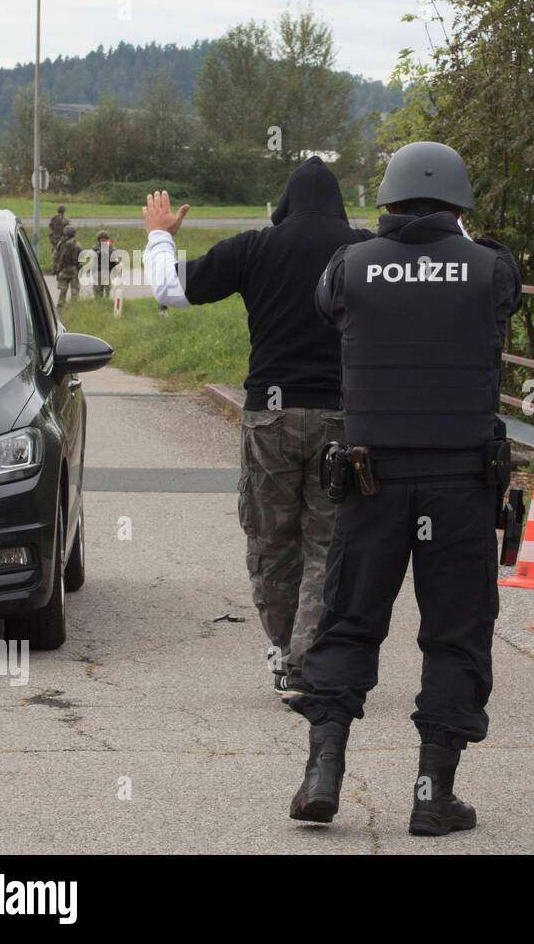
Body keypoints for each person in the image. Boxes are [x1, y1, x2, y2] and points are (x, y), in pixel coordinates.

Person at [286, 141, 522, 837]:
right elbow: (498, 294)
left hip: (369, 482)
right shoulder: (490, 268)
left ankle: (322, 774)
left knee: (349, 622)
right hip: (460, 486)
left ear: (386, 200)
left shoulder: (350, 265)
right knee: (454, 634)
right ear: (460, 203)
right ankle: (431, 794)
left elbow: (328, 307)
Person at [142, 157, 369, 697]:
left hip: (269, 416)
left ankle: (284, 648)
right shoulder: (362, 251)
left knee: (270, 540)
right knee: (326, 541)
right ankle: (307, 659)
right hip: (341, 416)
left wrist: (158, 237)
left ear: (285, 204)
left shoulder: (254, 248)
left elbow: (169, 290)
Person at [53, 225, 82, 306]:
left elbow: (55, 256)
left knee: (63, 289)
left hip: (63, 269)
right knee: (74, 290)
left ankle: (60, 304)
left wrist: (56, 268)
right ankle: (74, 306)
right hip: (73, 269)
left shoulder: (60, 244)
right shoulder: (77, 245)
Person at [90, 230, 122, 299]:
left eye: (104, 239)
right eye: (102, 239)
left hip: (104, 272)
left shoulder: (110, 248)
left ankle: (105, 303)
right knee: (101, 290)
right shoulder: (96, 248)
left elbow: (115, 260)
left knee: (105, 291)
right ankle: (101, 302)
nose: (103, 240)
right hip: (101, 272)